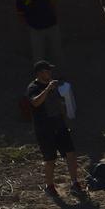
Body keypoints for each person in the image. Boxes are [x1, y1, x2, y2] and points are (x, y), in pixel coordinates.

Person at [25, 61, 82, 195]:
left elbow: (59, 103)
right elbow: (35, 102)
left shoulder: (53, 85)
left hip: (59, 124)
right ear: (39, 73)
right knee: (50, 159)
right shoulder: (33, 87)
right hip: (44, 128)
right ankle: (49, 186)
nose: (50, 73)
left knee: (71, 153)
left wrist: (66, 118)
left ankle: (75, 183)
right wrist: (47, 89)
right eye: (47, 71)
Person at [16, 0, 62, 67]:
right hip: (36, 30)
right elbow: (20, 15)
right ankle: (40, 78)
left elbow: (53, 4)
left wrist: (55, 18)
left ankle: (60, 74)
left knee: (57, 52)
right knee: (38, 56)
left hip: (52, 27)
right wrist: (31, 26)